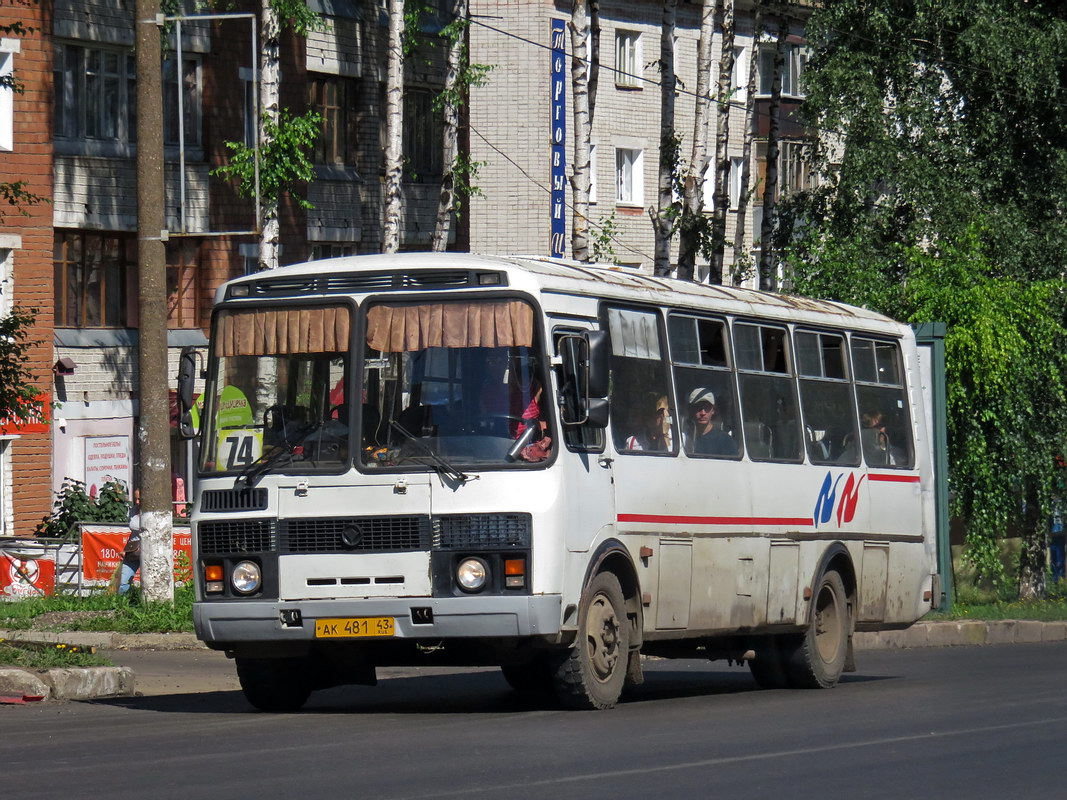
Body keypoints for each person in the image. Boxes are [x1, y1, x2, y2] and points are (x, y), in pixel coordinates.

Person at [684, 388, 737, 456]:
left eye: (707, 408)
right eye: (698, 408)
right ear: (690, 410)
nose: (703, 413)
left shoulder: (725, 441)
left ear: (713, 410)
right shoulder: (683, 437)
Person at [118, 488, 141, 595]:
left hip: (148, 550)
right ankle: (122, 604)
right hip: (133, 549)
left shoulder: (152, 514)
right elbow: (133, 533)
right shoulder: (132, 511)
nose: (137, 502)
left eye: (139, 499)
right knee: (123, 582)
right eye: (135, 499)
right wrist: (125, 549)